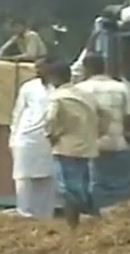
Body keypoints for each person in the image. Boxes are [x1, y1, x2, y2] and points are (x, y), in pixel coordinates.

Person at [76, 54, 130, 215]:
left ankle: (96, 215)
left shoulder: (81, 89)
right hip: (118, 142)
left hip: (93, 144)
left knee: (95, 181)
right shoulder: (121, 87)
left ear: (87, 69)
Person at [44, 60, 107, 228]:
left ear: (54, 77)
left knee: (68, 189)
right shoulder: (85, 94)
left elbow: (50, 119)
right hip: (87, 147)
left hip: (66, 147)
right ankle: (92, 218)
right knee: (84, 183)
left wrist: (50, 135)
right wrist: (97, 133)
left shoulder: (57, 97)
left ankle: (74, 226)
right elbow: (104, 116)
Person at [6, 56, 57, 219]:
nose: (38, 71)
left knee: (47, 178)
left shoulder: (59, 88)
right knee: (23, 177)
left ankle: (45, 215)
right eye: (36, 68)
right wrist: (13, 137)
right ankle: (25, 213)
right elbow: (17, 113)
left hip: (49, 140)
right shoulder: (28, 88)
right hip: (26, 138)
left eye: (41, 67)